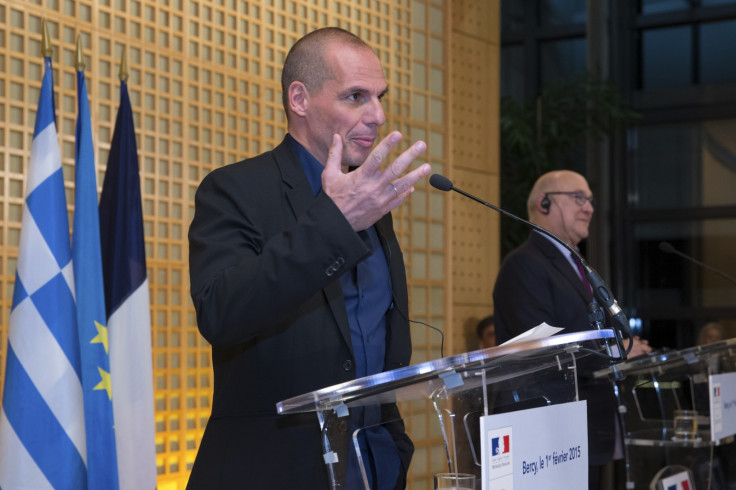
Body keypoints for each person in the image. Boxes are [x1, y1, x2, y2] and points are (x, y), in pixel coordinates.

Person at [187, 27, 432, 489]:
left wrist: (394, 449)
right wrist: (332, 227)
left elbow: (376, 344)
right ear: (299, 99)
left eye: (380, 96)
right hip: (275, 471)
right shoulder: (234, 190)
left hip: (374, 466)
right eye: (356, 96)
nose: (377, 115)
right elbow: (219, 311)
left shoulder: (372, 203)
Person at [492, 170, 651, 489]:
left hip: (584, 428)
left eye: (590, 200)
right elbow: (541, 350)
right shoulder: (523, 264)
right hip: (547, 435)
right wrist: (615, 351)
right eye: (579, 198)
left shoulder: (577, 263)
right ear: (544, 203)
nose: (589, 208)